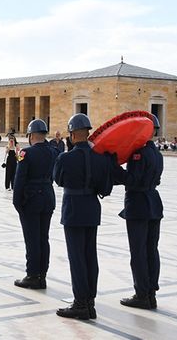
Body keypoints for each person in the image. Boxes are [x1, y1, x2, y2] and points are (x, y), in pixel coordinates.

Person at [53, 113, 114, 320]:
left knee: (77, 258)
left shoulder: (65, 158)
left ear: (71, 134)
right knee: (90, 256)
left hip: (73, 210)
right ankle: (90, 302)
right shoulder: (101, 158)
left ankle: (80, 303)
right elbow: (106, 185)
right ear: (88, 133)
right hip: (92, 208)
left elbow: (59, 180)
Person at [113, 115, 164, 310]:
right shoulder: (157, 153)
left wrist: (114, 168)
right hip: (153, 204)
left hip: (139, 206)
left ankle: (141, 294)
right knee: (152, 250)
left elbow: (132, 180)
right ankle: (151, 293)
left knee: (139, 252)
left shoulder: (139, 154)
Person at [13, 119, 59, 290]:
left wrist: (17, 203)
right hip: (48, 197)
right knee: (43, 238)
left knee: (32, 239)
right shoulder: (53, 152)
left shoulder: (25, 153)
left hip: (31, 200)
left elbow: (19, 180)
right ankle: (42, 275)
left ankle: (32, 275)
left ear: (31, 136)